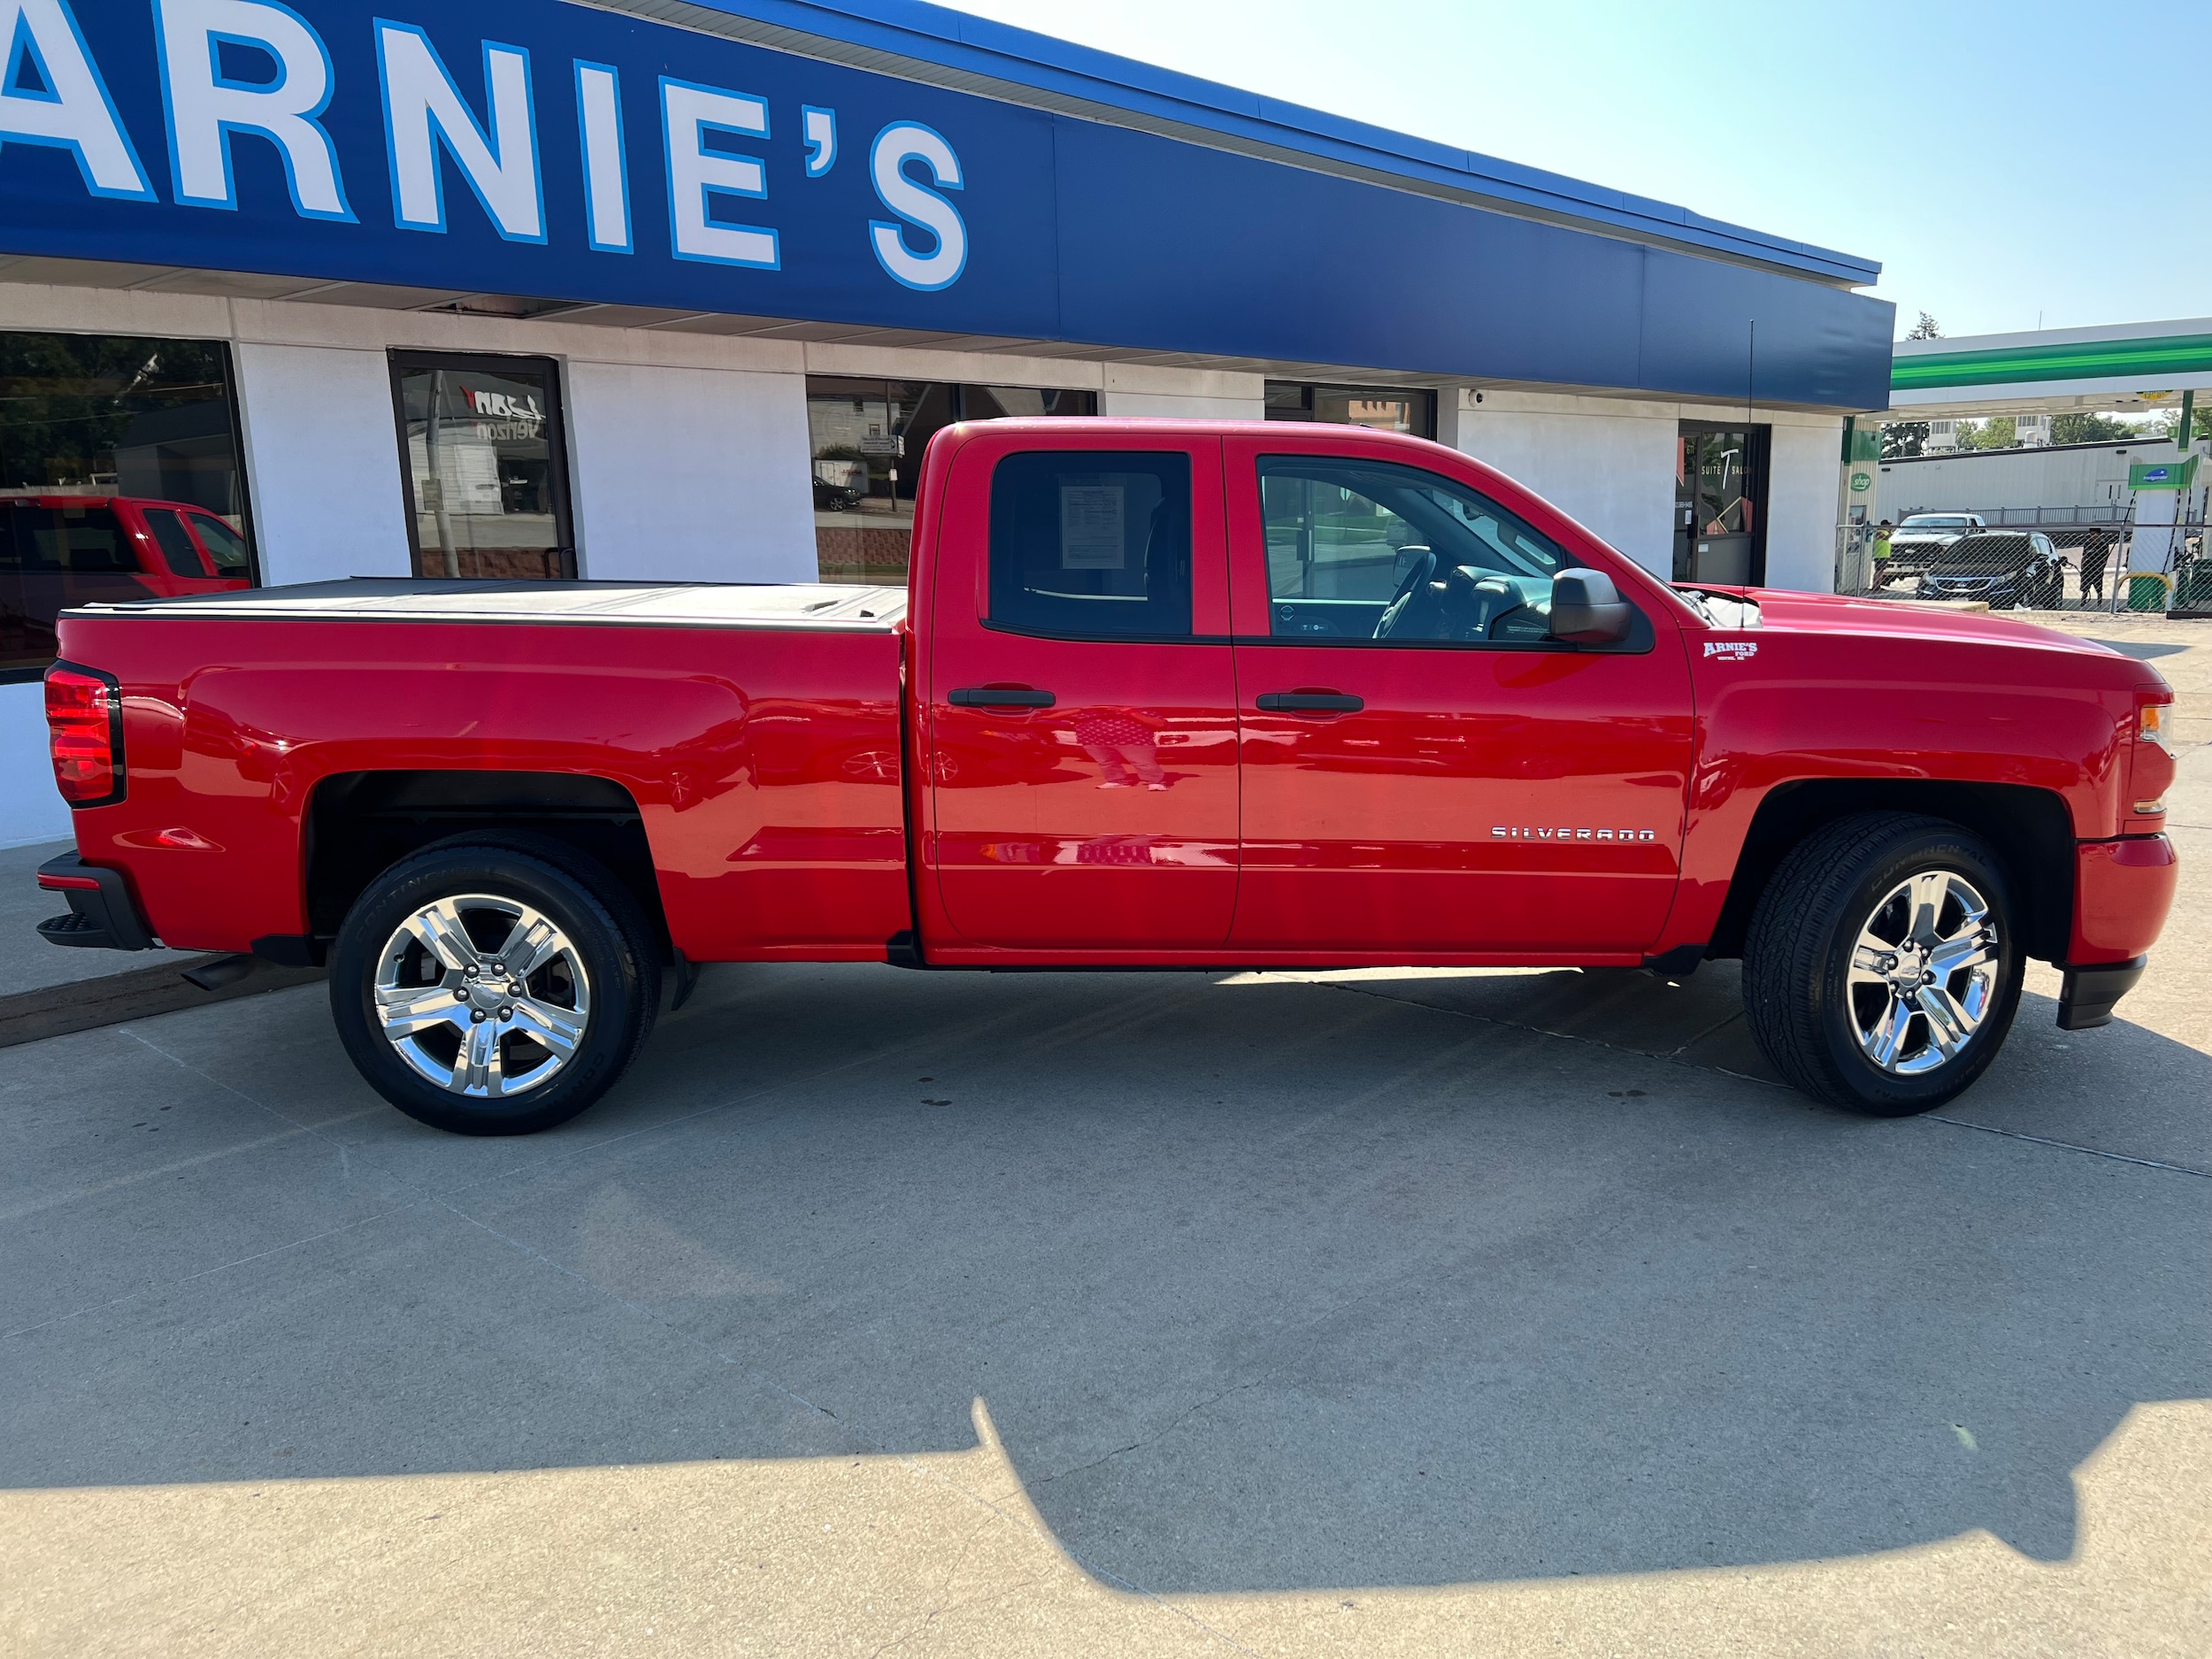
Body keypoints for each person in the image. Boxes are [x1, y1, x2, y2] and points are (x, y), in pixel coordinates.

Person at [2079, 530, 2109, 607]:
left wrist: (2102, 568)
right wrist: (2082, 568)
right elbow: (2084, 556)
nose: (2093, 536)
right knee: (2085, 587)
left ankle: (2099, 603)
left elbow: (2105, 558)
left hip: (2097, 568)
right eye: (2092, 534)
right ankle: (2082, 602)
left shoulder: (2104, 544)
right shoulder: (2087, 543)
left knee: (2099, 588)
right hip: (2087, 568)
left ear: (2099, 534)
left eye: (2095, 534)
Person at [1870, 520, 1893, 588]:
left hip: (1885, 554)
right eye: (1888, 525)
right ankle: (1874, 585)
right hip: (1879, 554)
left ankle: (1878, 585)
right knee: (1878, 570)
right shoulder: (1879, 532)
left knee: (1881, 571)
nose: (1889, 527)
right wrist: (1890, 533)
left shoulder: (1886, 532)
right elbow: (1885, 537)